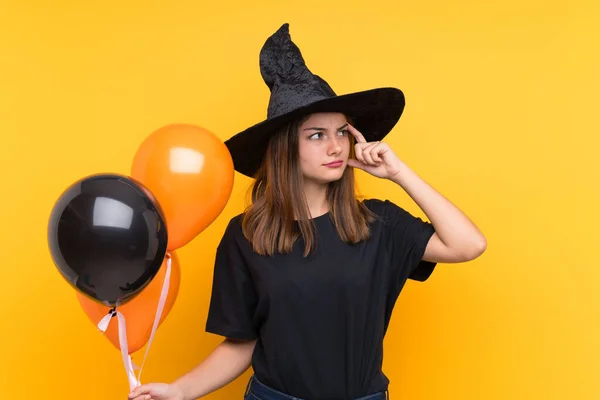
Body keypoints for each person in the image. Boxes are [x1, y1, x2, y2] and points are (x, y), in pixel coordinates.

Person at [128, 23, 486, 400]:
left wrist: (400, 174)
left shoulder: (379, 224)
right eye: (317, 135)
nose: (335, 147)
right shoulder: (246, 235)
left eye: (341, 132)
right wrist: (180, 391)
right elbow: (242, 344)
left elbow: (468, 245)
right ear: (285, 148)